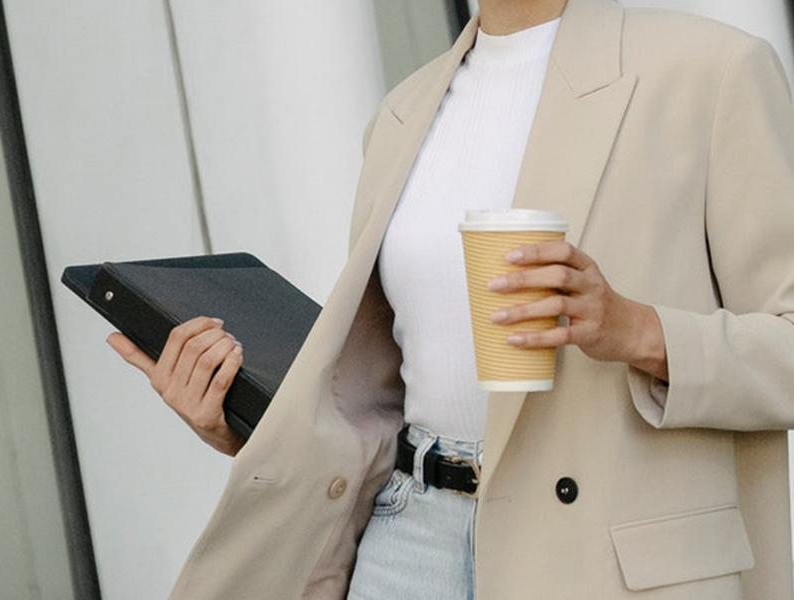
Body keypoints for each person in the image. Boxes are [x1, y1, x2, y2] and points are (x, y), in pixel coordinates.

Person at [107, 0, 794, 597]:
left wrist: (638, 331)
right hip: (411, 535)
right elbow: (382, 397)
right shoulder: (402, 115)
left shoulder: (710, 71)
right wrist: (244, 422)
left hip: (604, 556)